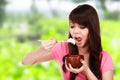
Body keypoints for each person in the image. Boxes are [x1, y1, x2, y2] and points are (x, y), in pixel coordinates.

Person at [22, 4, 114, 80]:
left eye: (82, 27)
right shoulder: (63, 48)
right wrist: (41, 50)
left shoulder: (104, 57)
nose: (75, 31)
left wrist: (86, 70)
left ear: (92, 30)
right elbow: (25, 61)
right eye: (72, 26)